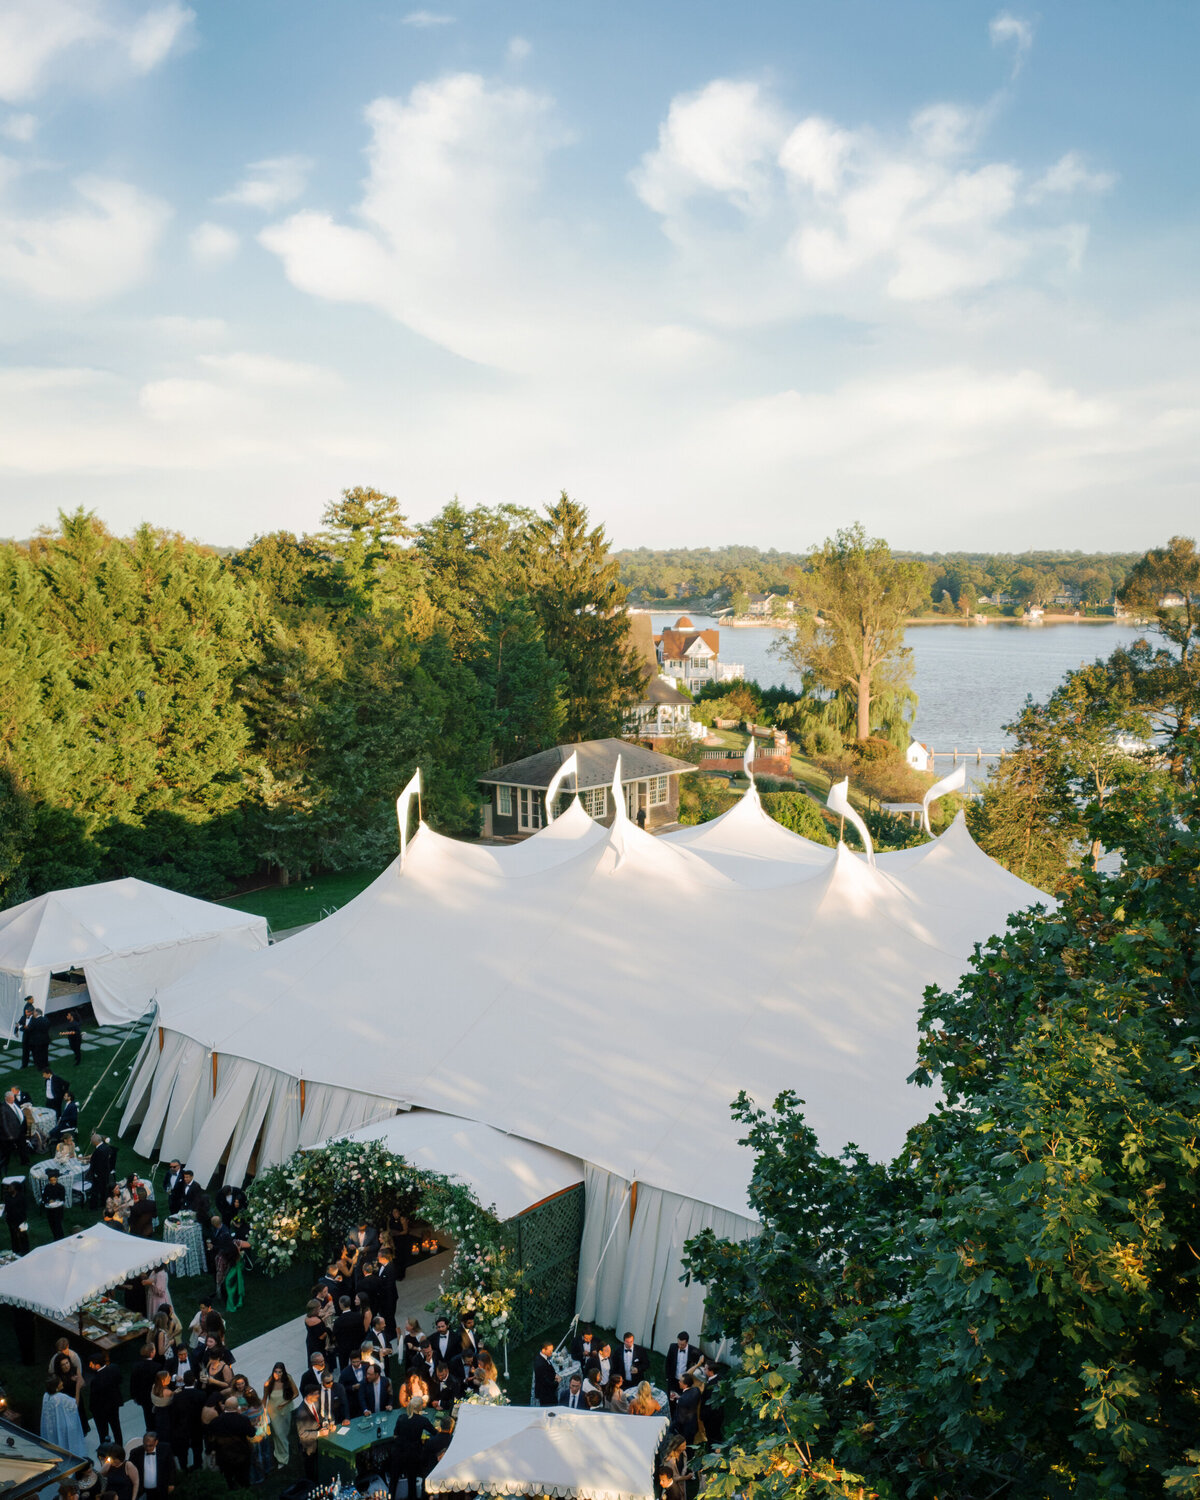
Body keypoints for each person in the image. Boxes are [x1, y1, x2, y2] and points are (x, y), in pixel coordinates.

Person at [207, 1397, 254, 1490]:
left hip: (223, 1455)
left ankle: (231, 1489)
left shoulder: (215, 1421)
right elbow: (251, 1433)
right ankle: (245, 1491)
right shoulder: (243, 1420)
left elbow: (211, 1438)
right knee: (243, 1476)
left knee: (228, 1477)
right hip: (241, 1454)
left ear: (225, 1407)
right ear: (237, 1407)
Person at [42, 1377, 87, 1457]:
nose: (62, 1383)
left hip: (51, 1426)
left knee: (56, 1442)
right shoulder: (61, 1397)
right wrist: (78, 1388)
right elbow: (75, 1405)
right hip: (63, 1426)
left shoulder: (46, 1396)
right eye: (60, 1382)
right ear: (56, 1387)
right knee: (66, 1444)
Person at [262, 1363, 296, 1469]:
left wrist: (285, 1403)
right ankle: (283, 1459)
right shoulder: (268, 1383)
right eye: (275, 1372)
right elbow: (264, 1398)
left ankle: (280, 1451)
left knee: (283, 1434)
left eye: (280, 1372)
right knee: (279, 1433)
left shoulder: (288, 1379)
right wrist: (263, 1412)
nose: (277, 1374)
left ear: (283, 1372)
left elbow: (296, 1393)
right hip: (273, 1411)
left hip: (286, 1410)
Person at [170, 1372, 204, 1473]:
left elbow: (174, 1414)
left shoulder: (177, 1396)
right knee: (197, 1447)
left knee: (183, 1450)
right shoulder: (201, 1394)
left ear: (184, 1381)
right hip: (197, 1426)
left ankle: (184, 1468)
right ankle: (198, 1465)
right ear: (194, 1381)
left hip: (182, 1427)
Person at [88, 1352, 124, 1446]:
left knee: (103, 1432)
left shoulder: (95, 1381)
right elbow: (120, 1380)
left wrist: (92, 1409)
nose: (89, 1366)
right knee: (116, 1428)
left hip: (101, 1410)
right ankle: (119, 1447)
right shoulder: (114, 1368)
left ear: (97, 1365)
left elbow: (94, 1398)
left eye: (91, 1364)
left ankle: (105, 1449)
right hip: (114, 1405)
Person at [128, 1431, 173, 1500]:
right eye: (145, 1445)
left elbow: (171, 1467)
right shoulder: (135, 1453)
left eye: (150, 1445)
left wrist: (171, 1483)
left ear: (156, 1442)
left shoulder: (165, 1449)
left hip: (161, 1488)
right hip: (143, 1491)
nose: (148, 1448)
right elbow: (130, 1470)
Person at [294, 1386, 323, 1480]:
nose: (318, 1395)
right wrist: (319, 1434)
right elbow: (302, 1434)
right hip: (309, 1445)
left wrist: (326, 1424)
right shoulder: (301, 1413)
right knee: (311, 1466)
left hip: (319, 1440)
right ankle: (311, 1482)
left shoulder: (316, 1402)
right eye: (316, 1394)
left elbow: (320, 1416)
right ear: (309, 1396)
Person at [664, 1331, 701, 1401]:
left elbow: (701, 1359)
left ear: (687, 1342)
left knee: (683, 1400)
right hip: (673, 1379)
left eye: (682, 1345)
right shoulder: (672, 1347)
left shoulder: (693, 1350)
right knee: (671, 1399)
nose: (680, 1346)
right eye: (679, 1344)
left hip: (685, 1381)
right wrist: (667, 1377)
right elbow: (667, 1362)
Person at [0, 1086, 31, 1171]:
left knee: (23, 1146)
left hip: (20, 1129)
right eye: (11, 1098)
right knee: (7, 1151)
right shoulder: (3, 1108)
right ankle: (4, 1165)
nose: (13, 1099)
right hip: (12, 1132)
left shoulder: (14, 1103)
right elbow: (4, 1123)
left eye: (13, 1097)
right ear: (6, 1099)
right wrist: (9, 1135)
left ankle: (25, 1161)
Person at [87, 1133, 117, 1210]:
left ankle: (93, 1206)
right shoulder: (106, 1146)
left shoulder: (98, 1151)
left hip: (99, 1173)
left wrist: (94, 1173)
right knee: (104, 1188)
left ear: (94, 1142)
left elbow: (94, 1162)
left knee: (95, 1189)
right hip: (106, 1171)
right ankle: (103, 1202)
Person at [2, 1177, 30, 1254]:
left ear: (16, 1189)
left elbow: (25, 1207)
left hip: (21, 1219)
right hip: (11, 1219)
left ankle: (25, 1250)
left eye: (11, 1187)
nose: (9, 1188)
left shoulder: (21, 1197)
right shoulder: (7, 1197)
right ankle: (16, 1250)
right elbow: (6, 1207)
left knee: (23, 1235)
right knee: (13, 1235)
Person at [673, 1372, 702, 1444]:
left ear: (685, 1385)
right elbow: (689, 1399)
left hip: (685, 1430)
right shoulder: (696, 1390)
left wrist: (672, 1428)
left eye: (680, 1381)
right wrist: (680, 1397)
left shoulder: (682, 1400)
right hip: (693, 1425)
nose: (679, 1382)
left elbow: (680, 1418)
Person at [533, 1342, 559, 1406]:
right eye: (550, 1350)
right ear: (543, 1350)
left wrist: (555, 1374)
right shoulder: (540, 1363)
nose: (552, 1352)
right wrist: (557, 1382)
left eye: (552, 1350)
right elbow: (545, 1382)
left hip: (547, 1391)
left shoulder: (544, 1357)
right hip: (545, 1393)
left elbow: (549, 1368)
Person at [18, 998, 36, 1068]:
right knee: (25, 1052)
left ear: (31, 1012)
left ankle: (37, 1062)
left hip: (32, 1037)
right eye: (25, 1012)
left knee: (35, 1051)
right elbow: (19, 1025)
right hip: (25, 1038)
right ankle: (24, 1065)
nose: (26, 1014)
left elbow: (31, 1028)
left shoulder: (34, 1019)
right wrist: (21, 1027)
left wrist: (24, 1028)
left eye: (27, 1012)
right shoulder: (23, 1017)